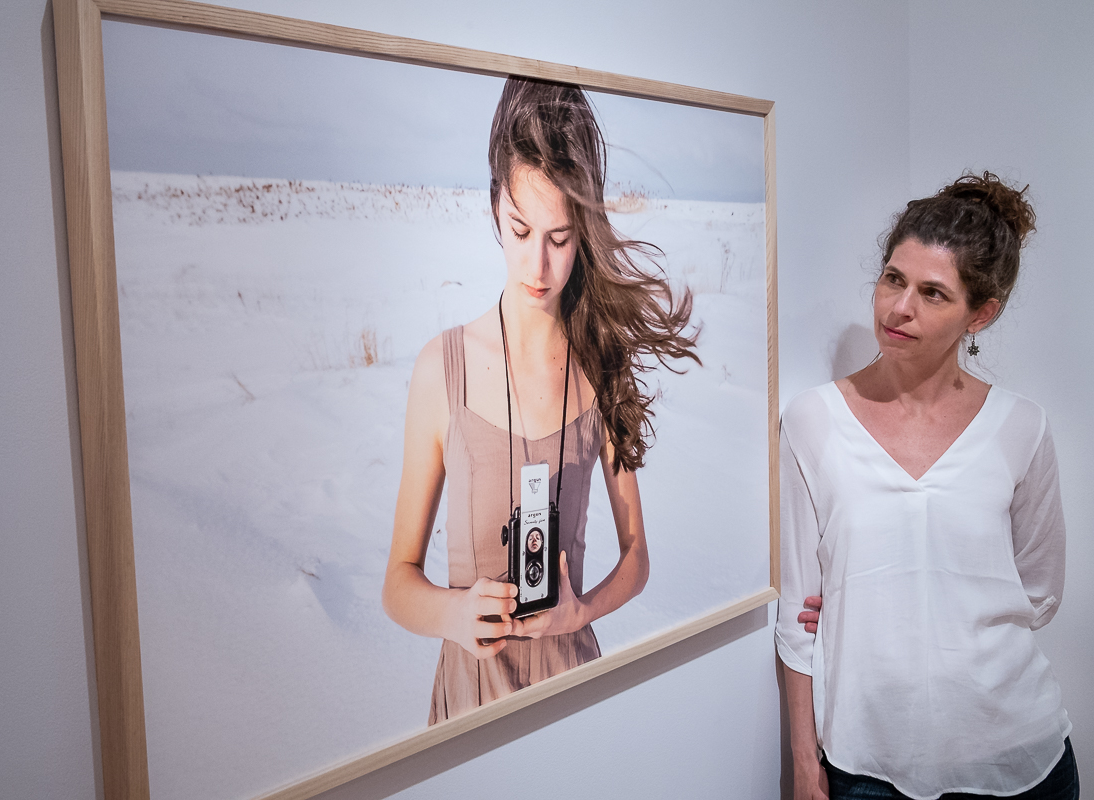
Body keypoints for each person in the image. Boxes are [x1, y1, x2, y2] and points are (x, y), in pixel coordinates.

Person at [382, 76, 699, 724]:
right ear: (495, 202)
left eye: (560, 238)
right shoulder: (441, 369)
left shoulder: (602, 368)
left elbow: (636, 558)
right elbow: (398, 581)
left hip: (572, 697)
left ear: (584, 232)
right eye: (522, 230)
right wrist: (453, 611)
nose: (538, 266)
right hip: (470, 708)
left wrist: (580, 610)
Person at [776, 172, 1077, 799]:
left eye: (933, 293)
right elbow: (796, 615)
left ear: (981, 315)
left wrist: (921, 592)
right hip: (867, 765)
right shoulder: (813, 421)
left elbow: (1040, 592)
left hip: (1019, 757)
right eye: (893, 279)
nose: (899, 308)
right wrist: (805, 762)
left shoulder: (1021, 427)